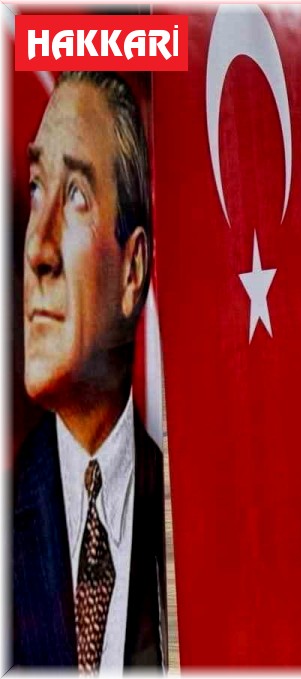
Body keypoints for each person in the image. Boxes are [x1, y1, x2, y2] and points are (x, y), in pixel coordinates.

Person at [13, 71, 165, 670]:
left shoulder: (181, 500)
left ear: (133, 272)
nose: (37, 250)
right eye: (34, 187)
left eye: (75, 195)